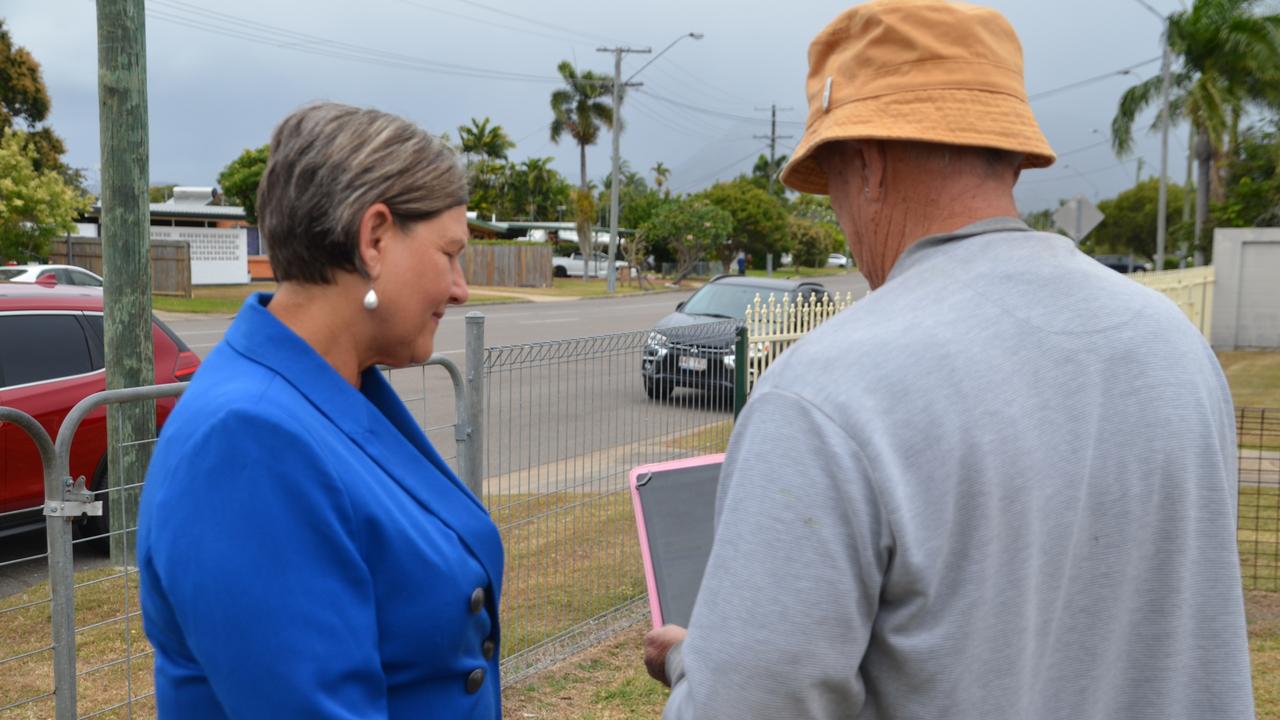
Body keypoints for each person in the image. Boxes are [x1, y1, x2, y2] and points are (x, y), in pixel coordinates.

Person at [644, 2, 1254, 718]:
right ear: (1007, 155)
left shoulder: (826, 391)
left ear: (865, 164)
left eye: (831, 184)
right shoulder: (1175, 345)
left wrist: (698, 666)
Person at [137, 102, 504, 718]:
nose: (461, 287)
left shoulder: (336, 389)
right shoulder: (248, 442)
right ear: (375, 239)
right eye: (449, 254)